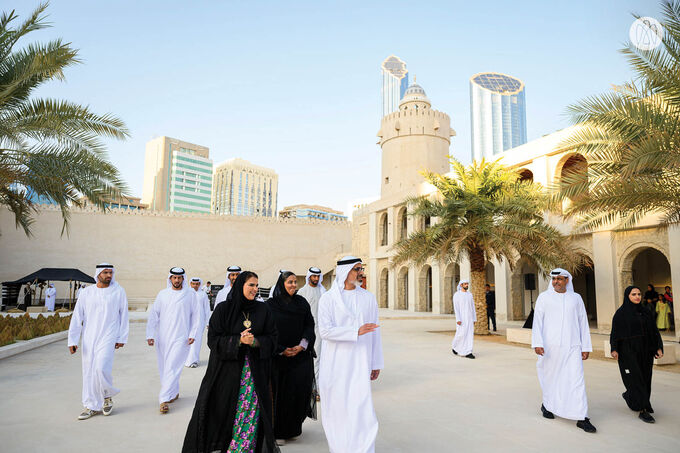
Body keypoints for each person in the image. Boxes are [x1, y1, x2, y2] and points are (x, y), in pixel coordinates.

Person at [182, 271, 279, 453]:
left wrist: (255, 341)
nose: (255, 289)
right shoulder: (223, 310)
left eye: (257, 285)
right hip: (226, 375)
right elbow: (213, 340)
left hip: (254, 376)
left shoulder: (263, 310)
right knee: (223, 413)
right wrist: (238, 341)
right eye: (251, 285)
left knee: (249, 413)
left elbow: (273, 338)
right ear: (240, 285)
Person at [318, 256, 383, 453]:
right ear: (345, 272)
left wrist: (375, 362)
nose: (360, 273)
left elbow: (375, 333)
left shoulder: (368, 298)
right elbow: (325, 331)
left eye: (361, 269)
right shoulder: (328, 299)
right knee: (338, 409)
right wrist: (355, 331)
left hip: (360, 362)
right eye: (357, 269)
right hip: (335, 363)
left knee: (362, 408)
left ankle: (364, 449)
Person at [531, 268, 596, 433]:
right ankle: (548, 405)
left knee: (576, 380)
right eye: (554, 279)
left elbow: (583, 323)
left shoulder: (576, 298)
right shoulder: (544, 298)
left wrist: (586, 346)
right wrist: (537, 343)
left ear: (567, 280)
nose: (556, 282)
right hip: (549, 348)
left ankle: (582, 416)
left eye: (559, 279)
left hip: (572, 347)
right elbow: (537, 322)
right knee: (550, 378)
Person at [67, 263, 129, 420]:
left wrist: (122, 337)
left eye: (110, 272)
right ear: (98, 274)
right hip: (89, 338)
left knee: (101, 368)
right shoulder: (87, 293)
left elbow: (124, 316)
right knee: (88, 372)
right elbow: (77, 316)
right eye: (105, 272)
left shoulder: (118, 291)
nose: (109, 275)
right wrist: (73, 340)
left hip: (108, 336)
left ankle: (107, 396)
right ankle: (91, 406)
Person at [267, 271, 316, 445]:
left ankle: (294, 428)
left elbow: (309, 324)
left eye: (295, 282)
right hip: (279, 358)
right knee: (281, 395)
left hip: (300, 356)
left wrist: (302, 345)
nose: (294, 285)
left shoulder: (301, 302)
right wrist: (281, 350)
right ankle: (279, 432)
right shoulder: (271, 305)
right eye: (290, 282)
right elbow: (268, 331)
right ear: (282, 284)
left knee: (299, 392)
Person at [146, 267, 200, 414]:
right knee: (164, 367)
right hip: (162, 337)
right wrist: (150, 334)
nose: (177, 280)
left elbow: (196, 315)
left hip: (181, 338)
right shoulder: (162, 294)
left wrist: (193, 333)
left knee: (172, 366)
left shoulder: (190, 294)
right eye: (174, 278)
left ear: (183, 278)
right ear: (170, 279)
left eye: (179, 278)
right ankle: (173, 392)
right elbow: (154, 315)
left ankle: (163, 400)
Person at [610, 286, 664, 423]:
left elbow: (654, 331)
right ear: (627, 296)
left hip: (645, 350)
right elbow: (615, 333)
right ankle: (643, 409)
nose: (637, 297)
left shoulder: (645, 312)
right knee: (636, 379)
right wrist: (614, 349)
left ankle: (631, 397)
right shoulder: (621, 313)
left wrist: (658, 347)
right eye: (633, 294)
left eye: (639, 294)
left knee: (646, 378)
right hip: (628, 351)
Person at [296, 266, 325, 377]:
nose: (316, 278)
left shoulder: (323, 291)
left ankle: (317, 385)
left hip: (322, 328)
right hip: (308, 329)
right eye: (314, 276)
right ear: (309, 276)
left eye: (318, 276)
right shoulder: (302, 292)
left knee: (320, 357)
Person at [185, 277, 212, 368]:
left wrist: (208, 322)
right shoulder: (186, 294)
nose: (195, 286)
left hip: (199, 322)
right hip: (187, 321)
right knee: (186, 340)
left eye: (197, 284)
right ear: (190, 284)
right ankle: (186, 360)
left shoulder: (203, 294)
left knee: (196, 341)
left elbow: (207, 309)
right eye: (193, 284)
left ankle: (193, 360)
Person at [451, 280, 476, 359]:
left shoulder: (470, 295)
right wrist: (458, 319)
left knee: (469, 335)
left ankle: (468, 351)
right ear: (461, 285)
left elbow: (473, 307)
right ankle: (455, 346)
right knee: (461, 334)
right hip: (461, 319)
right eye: (465, 284)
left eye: (467, 284)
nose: (467, 285)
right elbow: (456, 308)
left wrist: (474, 318)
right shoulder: (457, 295)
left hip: (470, 318)